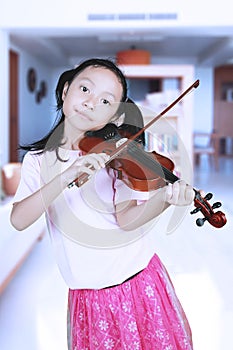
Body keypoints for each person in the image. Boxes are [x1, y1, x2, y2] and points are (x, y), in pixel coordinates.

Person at [11, 58, 194, 349]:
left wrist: (165, 199)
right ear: (65, 90)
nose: (91, 102)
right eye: (85, 89)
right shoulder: (38, 162)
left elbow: (127, 220)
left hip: (138, 283)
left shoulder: (115, 159)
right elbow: (19, 219)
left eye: (106, 101)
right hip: (88, 297)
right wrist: (67, 175)